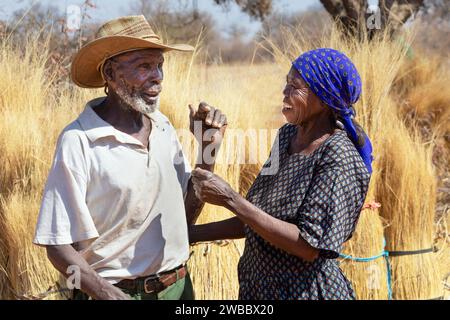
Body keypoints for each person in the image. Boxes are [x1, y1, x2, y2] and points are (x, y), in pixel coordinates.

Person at [33, 15, 227, 300]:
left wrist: (207, 152)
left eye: (159, 66)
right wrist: (109, 295)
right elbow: (58, 248)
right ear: (110, 74)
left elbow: (183, 217)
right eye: (144, 66)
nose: (157, 77)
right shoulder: (79, 140)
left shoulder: (162, 126)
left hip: (177, 288)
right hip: (113, 293)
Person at [189, 48, 373, 300]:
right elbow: (255, 218)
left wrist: (231, 198)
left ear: (323, 98)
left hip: (305, 293)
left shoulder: (338, 157)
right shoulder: (287, 136)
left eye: (294, 87)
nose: (284, 93)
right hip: (260, 291)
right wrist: (187, 236)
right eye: (286, 83)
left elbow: (309, 246)